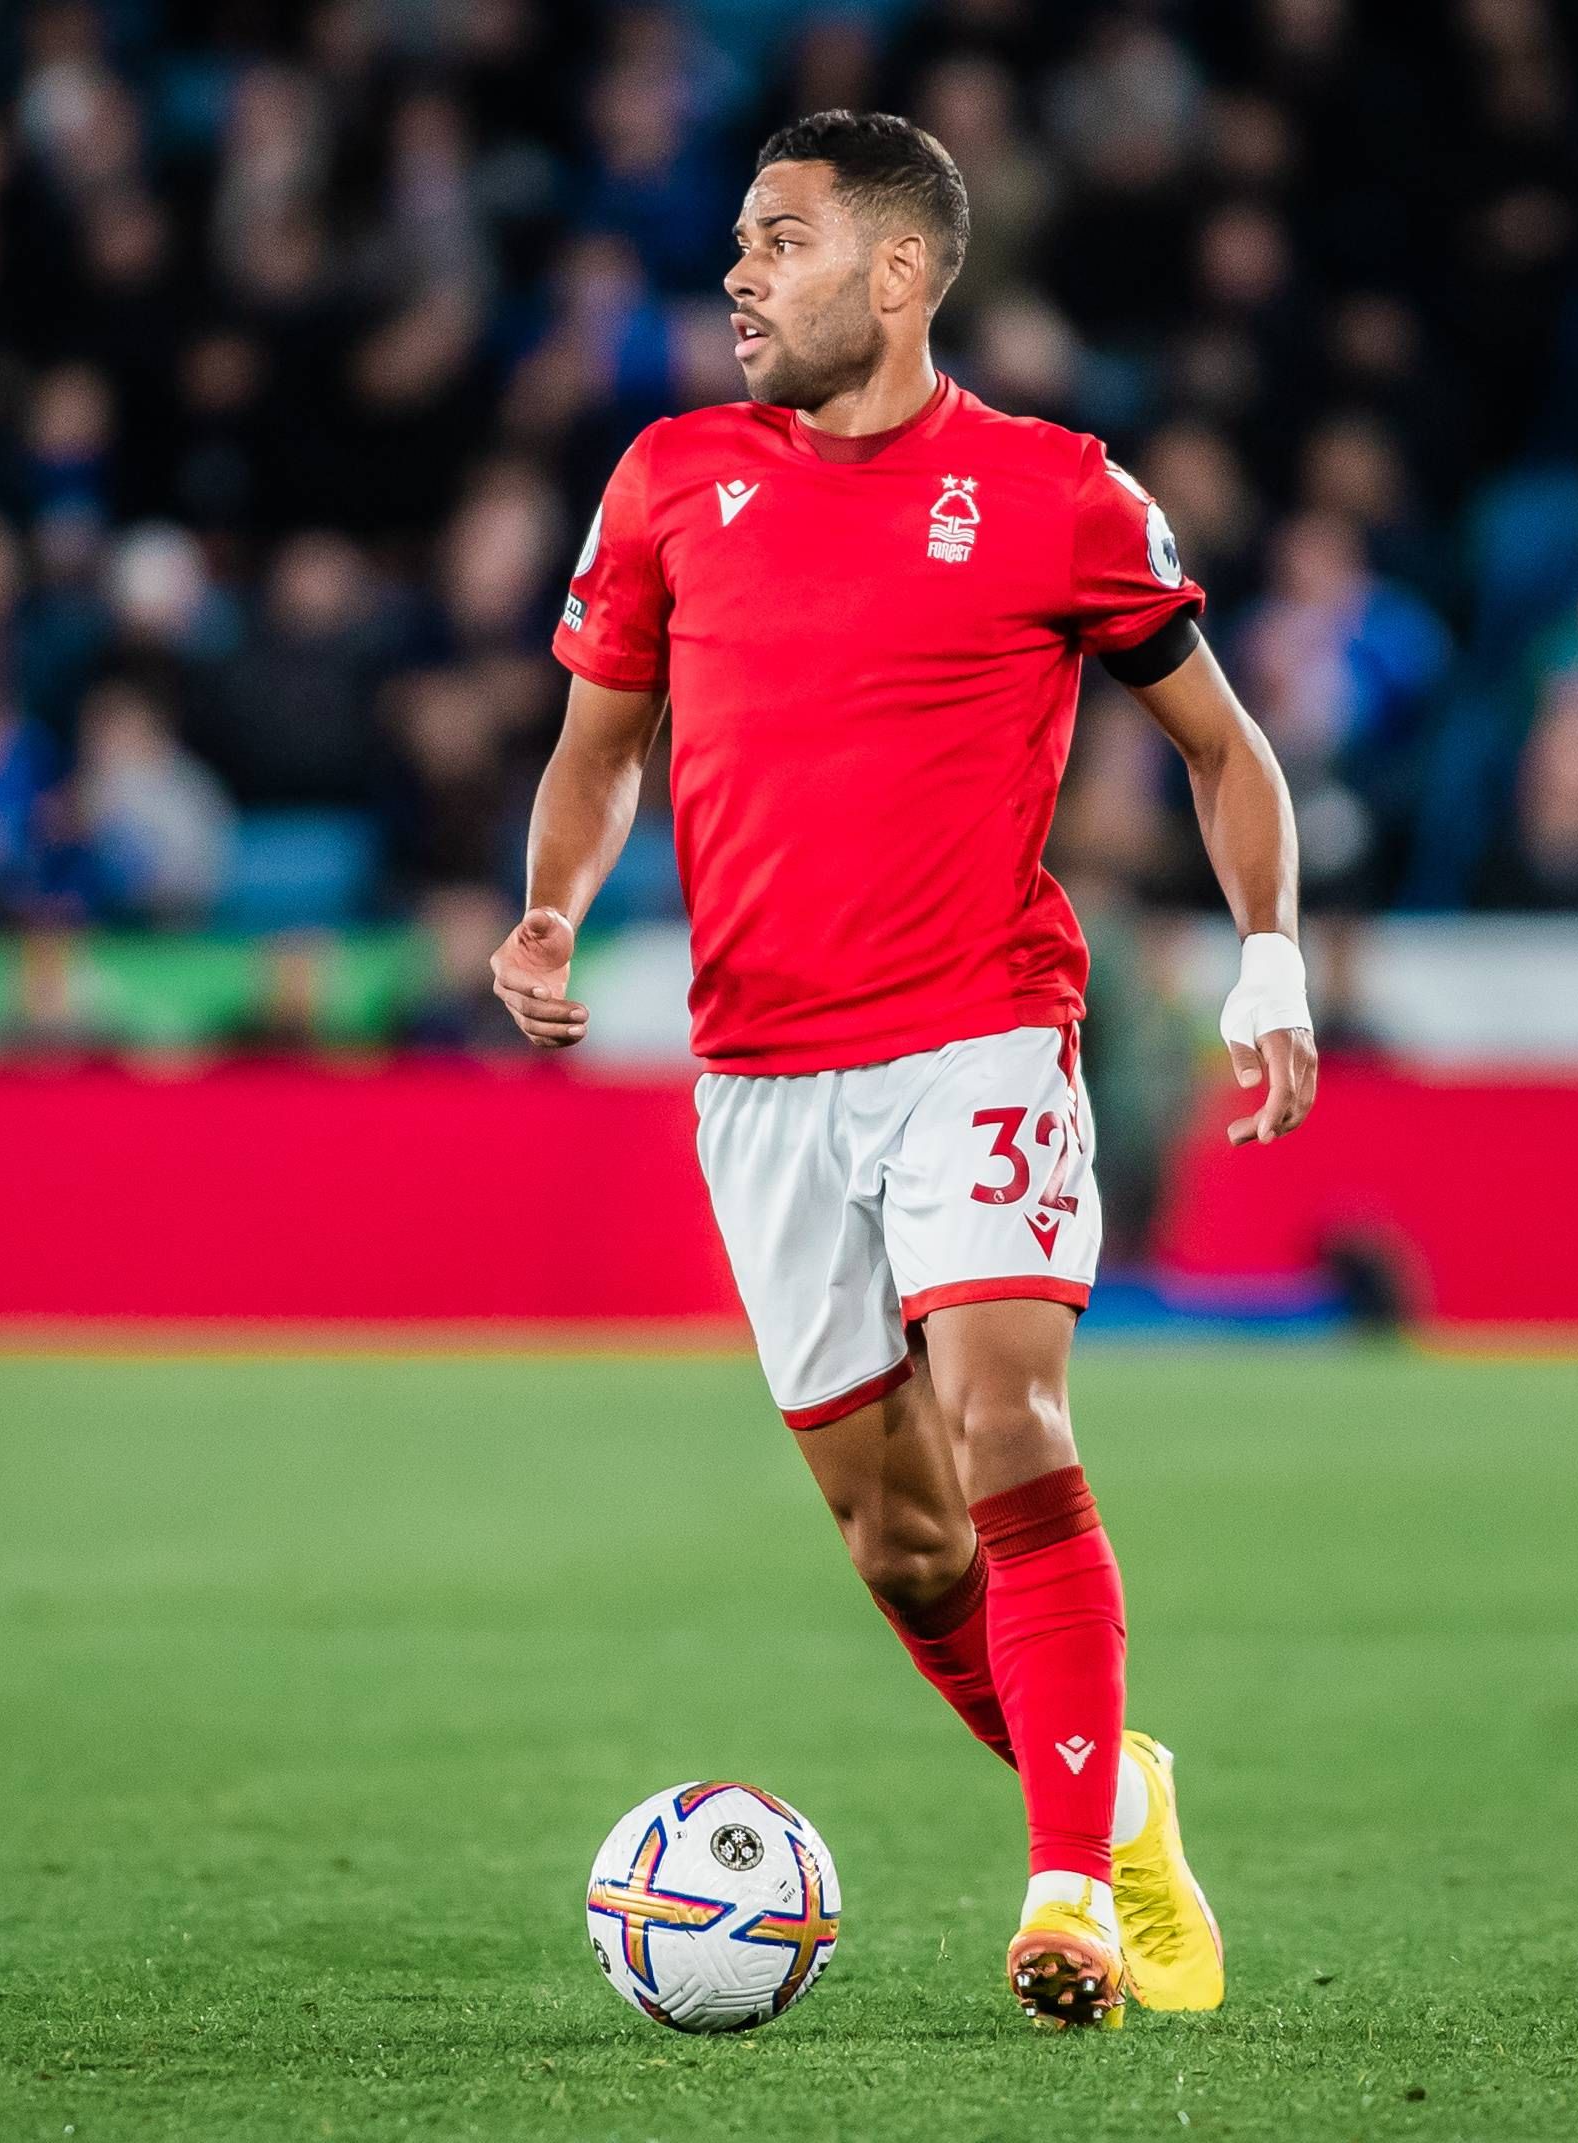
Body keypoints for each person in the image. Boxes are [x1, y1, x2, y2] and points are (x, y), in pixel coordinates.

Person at [497, 111, 1315, 2030]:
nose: (736, 277)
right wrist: (546, 909)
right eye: (736, 243)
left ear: (899, 274)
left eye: (778, 242)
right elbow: (600, 742)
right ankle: (1117, 1797)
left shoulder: (1056, 495)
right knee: (897, 1527)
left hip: (980, 1031)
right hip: (761, 1074)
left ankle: (1063, 1896)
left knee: (1007, 1419)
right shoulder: (672, 480)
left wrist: (1270, 972)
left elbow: (1227, 751)